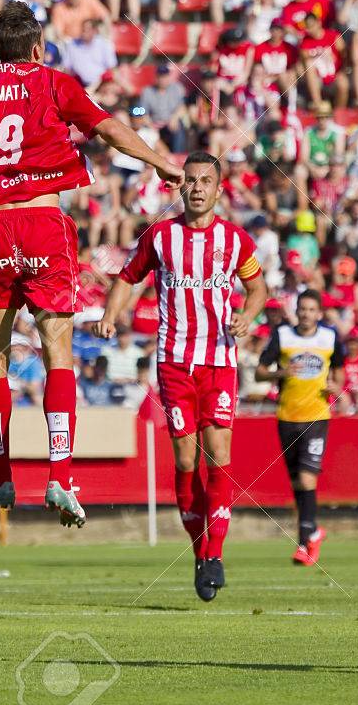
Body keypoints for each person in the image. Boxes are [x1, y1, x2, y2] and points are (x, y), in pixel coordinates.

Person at [0, 2, 184, 522]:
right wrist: (160, 162)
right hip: (43, 223)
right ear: (38, 47)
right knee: (56, 352)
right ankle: (60, 478)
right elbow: (108, 131)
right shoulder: (54, 82)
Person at [95, 152, 267, 601]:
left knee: (218, 450)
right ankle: (198, 554)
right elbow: (127, 277)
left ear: (218, 188)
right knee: (187, 461)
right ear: (180, 186)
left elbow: (258, 287)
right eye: (190, 180)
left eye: (205, 181)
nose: (196, 188)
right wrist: (112, 314)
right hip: (174, 362)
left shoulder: (234, 240)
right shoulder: (161, 237)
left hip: (220, 361)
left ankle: (215, 554)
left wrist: (248, 314)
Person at [256, 289, 345, 568]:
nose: (306, 314)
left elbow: (340, 371)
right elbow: (260, 371)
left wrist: (336, 387)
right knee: (297, 482)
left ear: (319, 313)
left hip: (317, 416)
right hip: (287, 416)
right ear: (297, 310)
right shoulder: (283, 336)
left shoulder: (329, 337)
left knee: (308, 480)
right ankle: (312, 533)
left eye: (311, 310)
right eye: (302, 309)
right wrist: (280, 373)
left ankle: (305, 543)